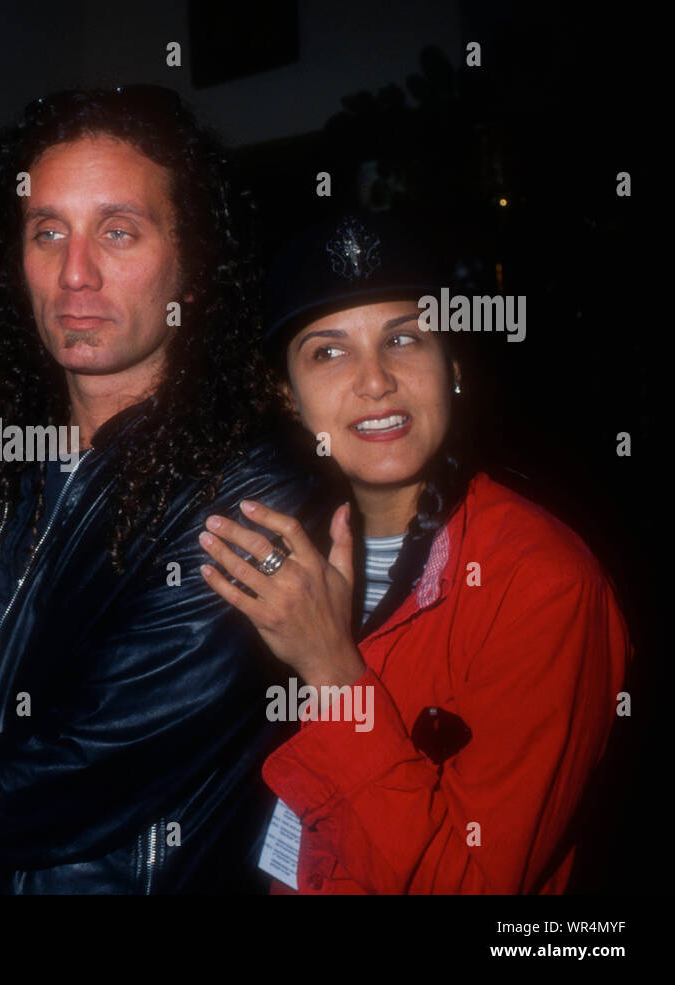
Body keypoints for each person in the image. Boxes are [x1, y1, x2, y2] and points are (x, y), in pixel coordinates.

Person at [0, 86, 325, 894]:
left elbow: (79, 766)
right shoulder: (2, 460)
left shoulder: (247, 487)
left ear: (193, 269)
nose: (76, 273)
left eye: (118, 231)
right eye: (47, 231)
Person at [196, 211, 631, 893]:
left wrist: (331, 669)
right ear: (287, 394)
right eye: (329, 351)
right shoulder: (284, 550)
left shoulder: (541, 581)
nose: (375, 381)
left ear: (453, 366)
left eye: (404, 339)